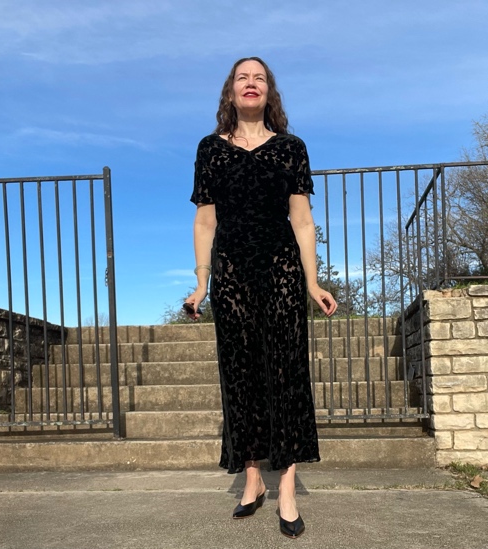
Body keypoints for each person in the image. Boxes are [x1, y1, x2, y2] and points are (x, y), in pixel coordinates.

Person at [185, 56, 337, 539]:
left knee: (287, 373)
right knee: (242, 373)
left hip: (281, 271)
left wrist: (313, 282)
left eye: (260, 78)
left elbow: (303, 221)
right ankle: (252, 478)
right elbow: (205, 221)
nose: (251, 84)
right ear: (230, 92)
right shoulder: (210, 149)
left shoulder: (291, 148)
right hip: (230, 274)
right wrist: (202, 281)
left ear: (270, 92)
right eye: (242, 78)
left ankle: (286, 486)